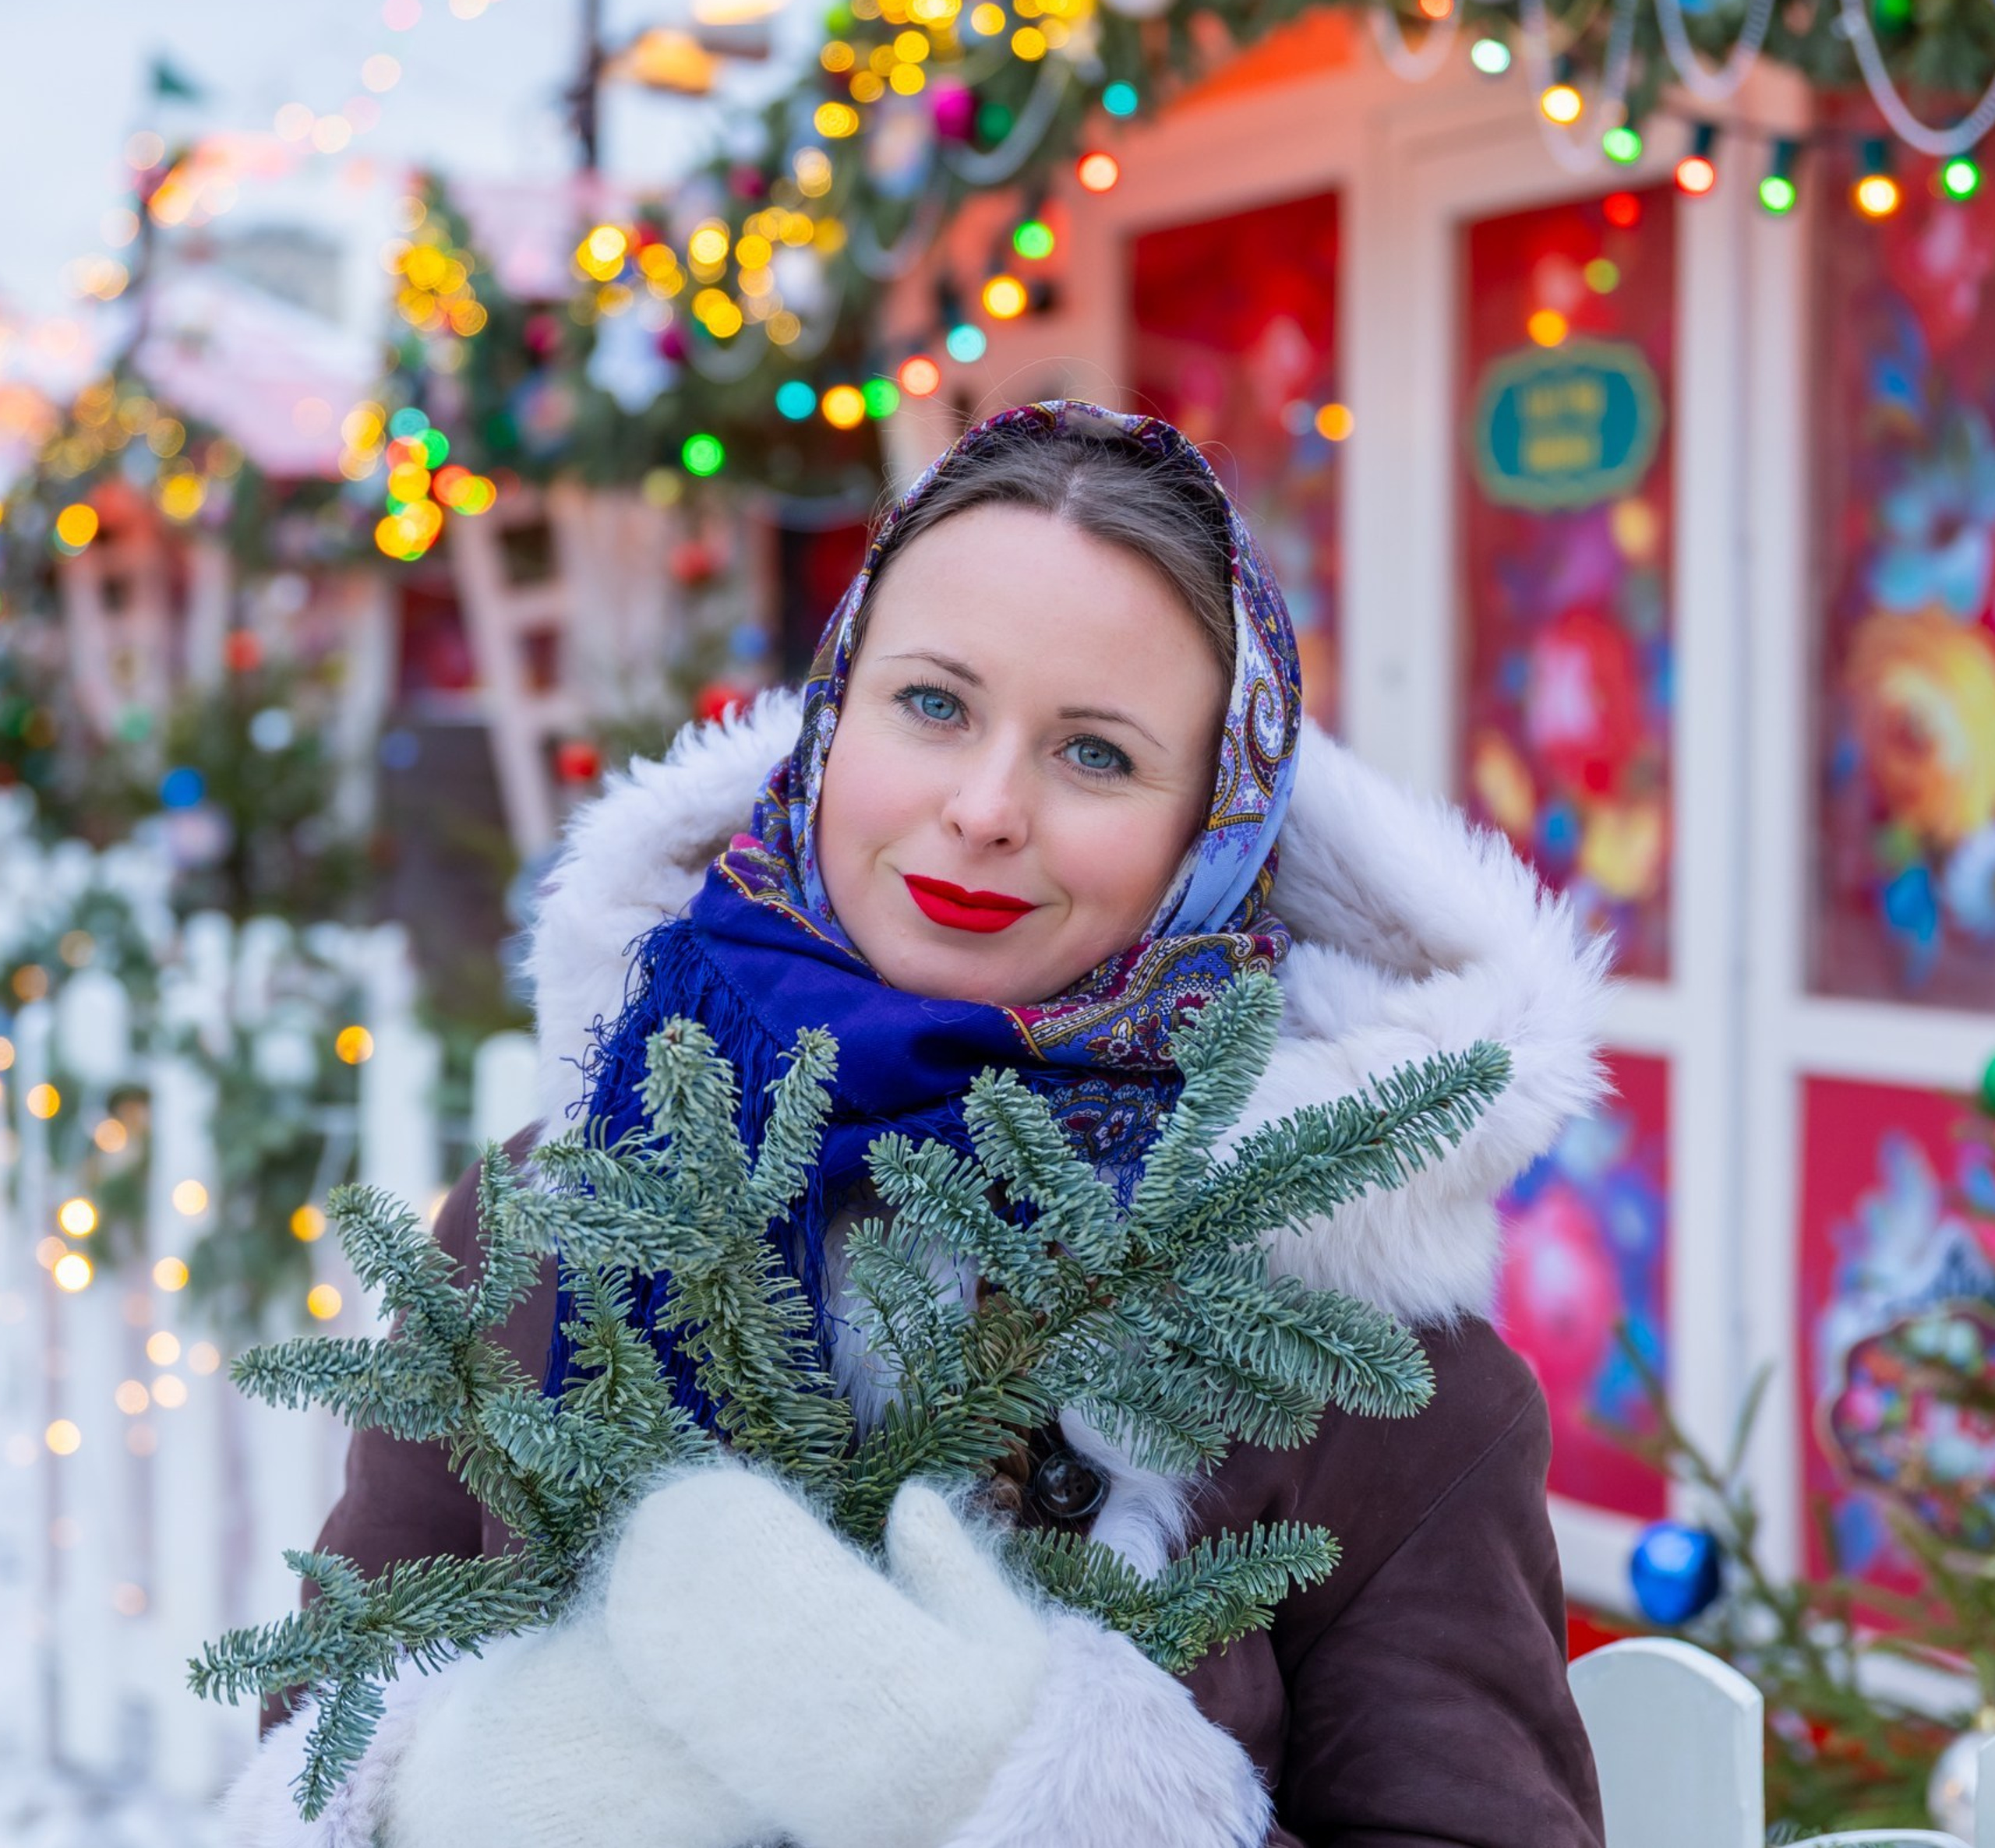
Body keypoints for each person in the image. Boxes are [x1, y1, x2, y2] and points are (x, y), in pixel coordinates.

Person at [231, 401, 1611, 1847]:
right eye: (936, 705)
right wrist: (491, 1778)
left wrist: (1009, 1786)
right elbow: (321, 1737)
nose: (987, 807)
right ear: (829, 725)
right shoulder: (555, 1227)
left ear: (1218, 827)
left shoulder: (1379, 1376)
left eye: (1095, 754)